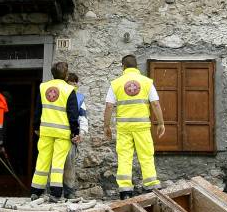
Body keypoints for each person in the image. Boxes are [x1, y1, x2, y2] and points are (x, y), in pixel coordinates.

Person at [103, 55, 165, 199]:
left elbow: (109, 106)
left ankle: (125, 190)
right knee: (146, 155)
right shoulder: (147, 82)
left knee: (124, 157)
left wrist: (106, 126)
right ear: (137, 66)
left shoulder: (116, 83)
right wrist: (161, 123)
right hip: (142, 126)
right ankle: (151, 186)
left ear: (123, 66)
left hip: (124, 127)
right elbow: (155, 104)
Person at [31, 62, 80, 202]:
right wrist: (75, 131)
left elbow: (38, 109)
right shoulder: (69, 90)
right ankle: (56, 193)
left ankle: (36, 191)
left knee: (42, 160)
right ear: (66, 75)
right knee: (58, 163)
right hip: (62, 133)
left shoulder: (43, 87)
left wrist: (36, 127)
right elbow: (72, 114)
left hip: (45, 131)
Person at [63, 72, 89, 199]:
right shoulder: (61, 95)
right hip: (61, 133)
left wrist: (81, 132)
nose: (73, 84)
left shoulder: (79, 98)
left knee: (69, 163)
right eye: (71, 82)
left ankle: (68, 191)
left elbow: (83, 116)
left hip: (71, 135)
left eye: (75, 82)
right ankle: (54, 190)